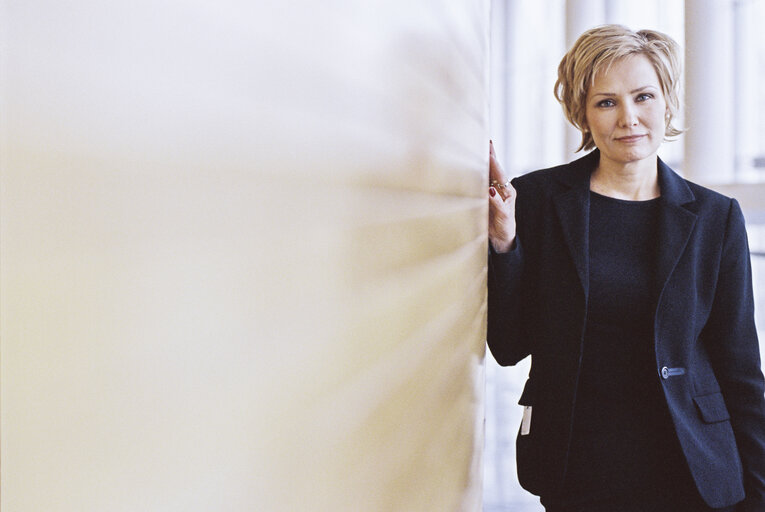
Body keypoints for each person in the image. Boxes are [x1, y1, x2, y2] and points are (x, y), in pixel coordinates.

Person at [487, 24, 765, 512]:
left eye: (643, 96)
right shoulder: (535, 201)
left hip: (693, 466)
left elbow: (739, 368)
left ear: (667, 102)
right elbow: (509, 347)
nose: (629, 118)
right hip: (579, 466)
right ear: (583, 113)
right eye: (606, 102)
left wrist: (759, 491)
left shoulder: (715, 217)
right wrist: (505, 244)